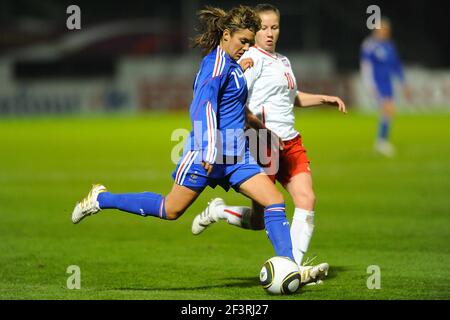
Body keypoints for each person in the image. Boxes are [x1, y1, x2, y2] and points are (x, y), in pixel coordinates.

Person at [71, 5, 300, 267]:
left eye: (249, 43)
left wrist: (263, 130)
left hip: (236, 156)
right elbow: (203, 107)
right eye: (243, 41)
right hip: (206, 154)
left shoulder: (233, 65)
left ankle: (288, 266)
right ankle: (101, 198)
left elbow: (236, 108)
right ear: (226, 34)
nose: (246, 47)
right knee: (171, 210)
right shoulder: (214, 66)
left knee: (274, 200)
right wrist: (210, 147)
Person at [191, 3, 347, 284]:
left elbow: (292, 97)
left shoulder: (282, 60)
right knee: (260, 219)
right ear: (254, 30)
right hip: (263, 141)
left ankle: (293, 267)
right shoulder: (251, 59)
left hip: (290, 140)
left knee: (307, 199)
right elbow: (234, 96)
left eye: (275, 27)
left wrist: (323, 99)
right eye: (264, 27)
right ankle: (219, 211)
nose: (269, 33)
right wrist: (252, 126)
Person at [360, 17, 412, 157]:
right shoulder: (369, 45)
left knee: (388, 112)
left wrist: (404, 84)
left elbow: (396, 66)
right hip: (377, 84)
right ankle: (381, 142)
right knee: (388, 110)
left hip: (388, 84)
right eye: (384, 29)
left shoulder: (389, 45)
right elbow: (366, 67)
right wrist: (369, 84)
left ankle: (381, 142)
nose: (386, 32)